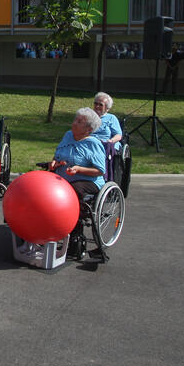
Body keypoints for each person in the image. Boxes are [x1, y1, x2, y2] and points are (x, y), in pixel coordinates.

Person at [48, 107, 106, 256]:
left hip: (88, 181)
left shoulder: (93, 143)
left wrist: (79, 169)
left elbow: (100, 170)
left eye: (80, 122)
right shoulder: (68, 135)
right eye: (76, 119)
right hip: (63, 179)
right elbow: (58, 155)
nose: (74, 123)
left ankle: (74, 234)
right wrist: (54, 162)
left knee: (72, 191)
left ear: (88, 129)